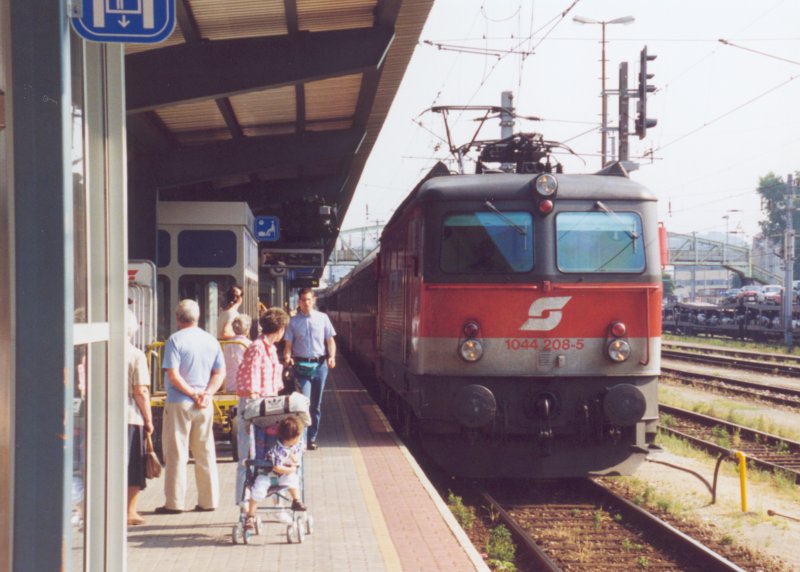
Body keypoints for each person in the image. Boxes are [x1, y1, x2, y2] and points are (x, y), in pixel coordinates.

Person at [157, 299, 225, 514]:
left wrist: (191, 393)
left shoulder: (175, 340)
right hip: (204, 404)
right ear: (198, 317)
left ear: (178, 318)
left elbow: (173, 374)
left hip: (180, 402)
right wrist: (207, 393)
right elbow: (219, 373)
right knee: (205, 451)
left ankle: (175, 503)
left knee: (177, 452)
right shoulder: (211, 340)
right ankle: (209, 500)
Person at [235, 307, 290, 504]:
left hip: (269, 410)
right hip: (255, 410)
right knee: (248, 458)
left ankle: (277, 504)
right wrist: (251, 416)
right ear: (280, 328)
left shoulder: (271, 349)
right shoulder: (257, 348)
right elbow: (250, 383)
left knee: (274, 457)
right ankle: (243, 504)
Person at [283, 288, 336, 451]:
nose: (306, 303)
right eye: (303, 300)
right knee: (303, 403)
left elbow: (330, 341)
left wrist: (332, 356)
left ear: (314, 300)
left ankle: (312, 437)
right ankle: (302, 439)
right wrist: (287, 357)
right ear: (299, 302)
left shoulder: (323, 318)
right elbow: (288, 346)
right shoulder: (293, 322)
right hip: (301, 366)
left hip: (320, 365)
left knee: (316, 405)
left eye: (308, 300)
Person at [244, 415, 307, 531]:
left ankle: (296, 500)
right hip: (267, 474)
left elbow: (300, 452)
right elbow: (277, 467)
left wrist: (293, 466)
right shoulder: (277, 449)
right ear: (292, 437)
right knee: (258, 491)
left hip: (284, 475)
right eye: (298, 436)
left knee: (293, 480)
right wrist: (291, 469)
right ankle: (250, 515)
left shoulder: (297, 446)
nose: (300, 438)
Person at [126, 309, 154, 526]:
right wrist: (149, 419)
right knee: (133, 465)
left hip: (100, 417)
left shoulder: (97, 350)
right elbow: (140, 392)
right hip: (129, 417)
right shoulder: (135, 355)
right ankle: (130, 511)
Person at [222, 314, 253, 393]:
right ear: (248, 329)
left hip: (228, 386)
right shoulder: (250, 344)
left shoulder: (225, 345)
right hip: (244, 387)